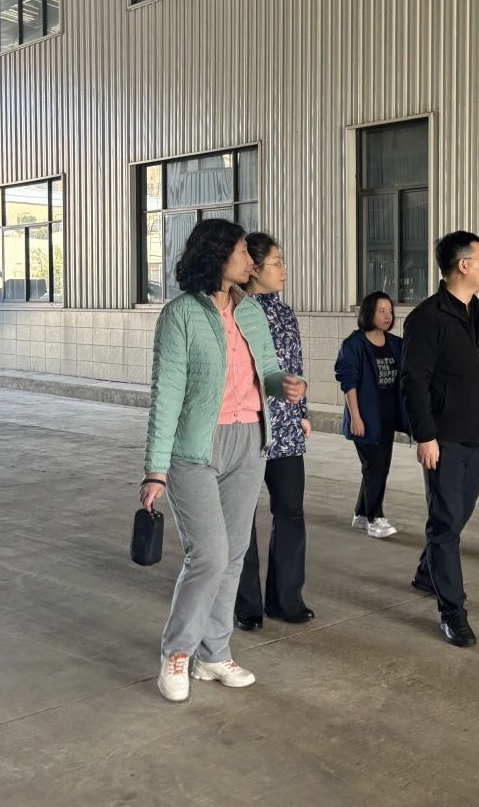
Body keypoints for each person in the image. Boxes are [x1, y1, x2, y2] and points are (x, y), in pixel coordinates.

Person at [140, 219, 306, 703]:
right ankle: (177, 652)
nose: (250, 261)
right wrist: (155, 468)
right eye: (242, 252)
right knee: (209, 555)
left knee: (233, 555)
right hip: (196, 448)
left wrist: (284, 384)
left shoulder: (250, 311)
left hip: (249, 441)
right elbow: (166, 393)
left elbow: (267, 370)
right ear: (217, 256)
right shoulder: (180, 315)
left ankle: (214, 654)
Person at [400, 231, 479, 648]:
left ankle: (427, 572)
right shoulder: (427, 318)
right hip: (444, 440)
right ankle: (452, 611)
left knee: (455, 517)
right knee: (446, 523)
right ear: (463, 265)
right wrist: (425, 436)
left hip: (478, 437)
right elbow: (413, 381)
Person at [233, 234, 316, 630]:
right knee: (242, 517)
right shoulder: (236, 312)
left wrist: (301, 410)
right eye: (277, 262)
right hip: (248, 428)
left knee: (290, 511)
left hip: (285, 430)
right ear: (253, 268)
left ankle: (286, 599)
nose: (285, 270)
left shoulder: (285, 313)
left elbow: (295, 367)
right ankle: (246, 604)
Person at [335, 291, 408, 539]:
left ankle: (361, 513)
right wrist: (356, 417)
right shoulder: (354, 345)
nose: (387, 316)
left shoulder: (395, 344)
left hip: (387, 417)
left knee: (378, 467)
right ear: (369, 313)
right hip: (365, 417)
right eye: (381, 311)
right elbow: (349, 383)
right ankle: (375, 518)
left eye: (390, 311)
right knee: (374, 466)